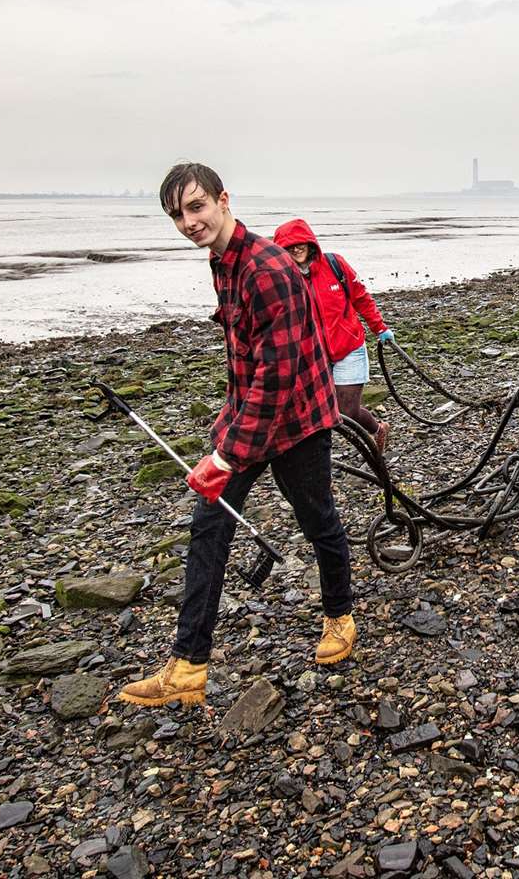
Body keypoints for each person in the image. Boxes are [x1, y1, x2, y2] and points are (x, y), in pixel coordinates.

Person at [119, 163, 357, 708]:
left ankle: (340, 616)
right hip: (251, 414)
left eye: (197, 206)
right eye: (177, 214)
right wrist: (225, 432)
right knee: (209, 526)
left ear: (224, 200)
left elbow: (278, 378)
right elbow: (246, 362)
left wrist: (226, 455)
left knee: (316, 519)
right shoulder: (222, 260)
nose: (188, 221)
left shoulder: (268, 269)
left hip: (298, 420)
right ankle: (188, 666)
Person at [273, 219, 395, 451]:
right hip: (312, 356)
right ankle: (319, 459)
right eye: (289, 246)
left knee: (346, 410)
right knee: (314, 412)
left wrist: (380, 328)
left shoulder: (334, 264)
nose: (296, 249)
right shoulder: (283, 279)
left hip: (348, 348)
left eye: (300, 243)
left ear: (311, 244)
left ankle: (379, 430)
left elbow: (360, 297)